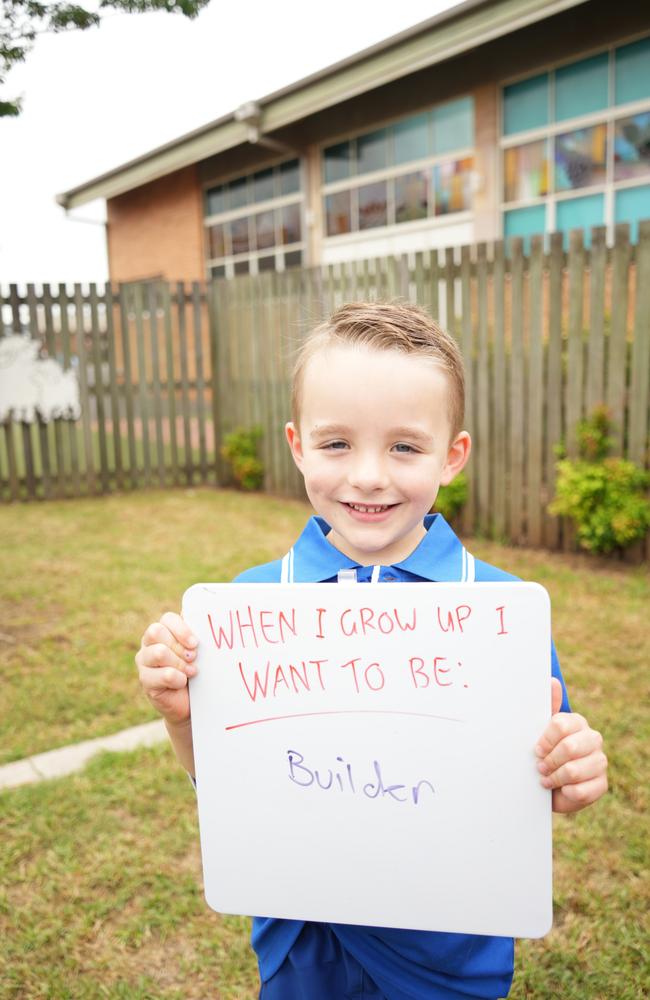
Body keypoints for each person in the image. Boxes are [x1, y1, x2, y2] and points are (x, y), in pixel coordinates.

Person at [136, 301, 608, 1000]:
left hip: (450, 950)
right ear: (297, 445)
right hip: (305, 942)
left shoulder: (501, 614)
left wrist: (570, 773)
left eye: (404, 447)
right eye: (337, 445)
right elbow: (230, 784)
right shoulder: (250, 607)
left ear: (452, 456)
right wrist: (182, 715)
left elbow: (534, 790)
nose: (367, 476)